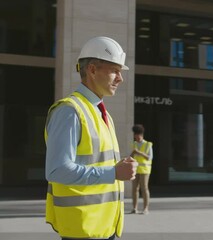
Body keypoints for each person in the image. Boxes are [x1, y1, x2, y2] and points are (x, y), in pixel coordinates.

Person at [44, 36, 137, 240]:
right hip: (82, 229)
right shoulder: (69, 111)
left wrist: (117, 168)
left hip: (103, 227)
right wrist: (113, 172)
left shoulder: (100, 113)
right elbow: (56, 170)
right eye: (115, 70)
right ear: (92, 70)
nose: (120, 78)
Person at [129, 124, 153, 214]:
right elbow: (131, 157)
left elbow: (149, 157)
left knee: (144, 188)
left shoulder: (148, 144)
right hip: (135, 169)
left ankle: (146, 208)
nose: (136, 137)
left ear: (141, 135)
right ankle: (134, 208)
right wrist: (132, 153)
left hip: (145, 169)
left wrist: (139, 152)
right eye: (135, 135)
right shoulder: (134, 144)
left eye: (137, 135)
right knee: (134, 188)